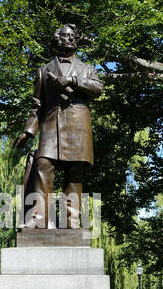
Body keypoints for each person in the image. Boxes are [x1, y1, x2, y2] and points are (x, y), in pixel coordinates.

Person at [13, 23, 103, 229]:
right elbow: (37, 105)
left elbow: (98, 89)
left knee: (74, 173)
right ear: (57, 40)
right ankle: (37, 219)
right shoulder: (43, 71)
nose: (70, 39)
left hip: (79, 126)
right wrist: (28, 132)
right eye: (65, 36)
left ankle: (71, 221)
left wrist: (72, 80)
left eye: (73, 36)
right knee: (43, 165)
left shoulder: (87, 69)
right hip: (51, 125)